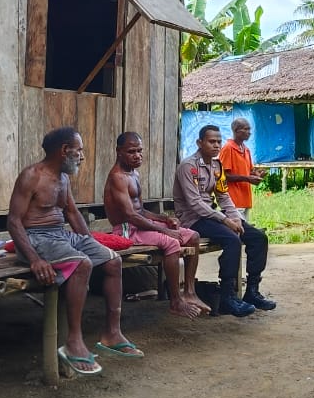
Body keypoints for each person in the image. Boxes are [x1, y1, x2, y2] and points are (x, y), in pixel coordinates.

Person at [8, 126, 138, 376]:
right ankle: (74, 342)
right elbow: (14, 221)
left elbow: (71, 212)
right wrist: (34, 260)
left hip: (60, 236)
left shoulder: (64, 177)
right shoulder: (31, 176)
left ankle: (112, 333)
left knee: (113, 261)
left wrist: (91, 242)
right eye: (79, 150)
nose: (82, 156)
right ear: (64, 150)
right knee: (83, 264)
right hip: (36, 239)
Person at [104, 131, 212, 319]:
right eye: (131, 152)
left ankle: (190, 292)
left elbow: (141, 211)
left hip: (140, 225)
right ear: (118, 151)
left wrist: (164, 219)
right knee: (172, 243)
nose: (138, 155)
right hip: (126, 230)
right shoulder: (117, 177)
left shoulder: (134, 173)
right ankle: (175, 301)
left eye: (140, 150)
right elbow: (129, 215)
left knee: (193, 237)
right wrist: (164, 230)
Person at [173, 124, 277, 316]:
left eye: (219, 141)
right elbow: (195, 203)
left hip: (212, 216)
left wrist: (235, 218)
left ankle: (252, 291)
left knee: (257, 237)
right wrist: (224, 220)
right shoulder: (188, 167)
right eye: (211, 141)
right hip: (192, 220)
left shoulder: (216, 165)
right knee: (232, 240)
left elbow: (223, 195)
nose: (216, 145)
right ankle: (227, 296)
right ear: (199, 142)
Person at [219, 117, 264, 222]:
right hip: (232, 200)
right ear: (236, 131)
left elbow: (249, 171)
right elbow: (225, 175)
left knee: (244, 232)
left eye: (249, 129)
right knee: (238, 230)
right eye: (246, 129)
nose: (249, 132)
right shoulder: (228, 148)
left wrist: (258, 175)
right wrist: (248, 178)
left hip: (245, 199)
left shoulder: (246, 149)